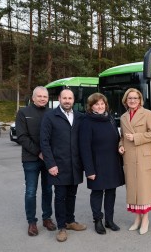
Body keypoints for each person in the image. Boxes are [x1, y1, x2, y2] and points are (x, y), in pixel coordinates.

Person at [40, 89, 86, 242]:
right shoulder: (50, 116)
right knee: (60, 197)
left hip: (75, 164)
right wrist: (50, 164)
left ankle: (70, 221)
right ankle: (61, 227)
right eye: (64, 98)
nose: (67, 101)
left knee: (72, 195)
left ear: (74, 100)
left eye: (70, 98)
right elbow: (44, 142)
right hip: (58, 165)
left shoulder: (80, 116)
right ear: (59, 99)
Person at [79, 93, 125, 235]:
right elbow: (84, 147)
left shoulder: (109, 118)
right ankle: (98, 220)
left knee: (111, 192)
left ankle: (109, 220)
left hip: (112, 162)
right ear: (91, 106)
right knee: (97, 192)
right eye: (96, 104)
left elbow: (116, 138)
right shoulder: (87, 121)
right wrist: (89, 170)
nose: (100, 106)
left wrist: (120, 147)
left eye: (102, 104)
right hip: (96, 164)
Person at [16, 86, 57, 236]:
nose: (42, 99)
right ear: (32, 98)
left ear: (48, 98)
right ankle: (32, 222)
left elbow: (55, 136)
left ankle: (47, 218)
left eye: (45, 96)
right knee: (31, 192)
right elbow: (22, 137)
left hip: (48, 160)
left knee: (47, 190)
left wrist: (48, 155)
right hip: (30, 159)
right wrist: (39, 152)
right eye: (39, 96)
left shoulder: (52, 113)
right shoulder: (23, 113)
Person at [118, 88, 151, 235]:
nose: (133, 100)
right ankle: (137, 218)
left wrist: (136, 137)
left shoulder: (148, 114)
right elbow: (122, 136)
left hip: (144, 157)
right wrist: (121, 146)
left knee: (144, 189)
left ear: (140, 100)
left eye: (135, 98)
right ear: (125, 100)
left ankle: (145, 219)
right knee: (133, 189)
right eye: (130, 98)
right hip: (129, 157)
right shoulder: (123, 117)